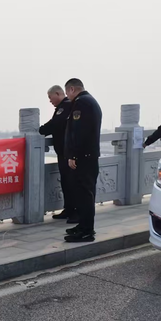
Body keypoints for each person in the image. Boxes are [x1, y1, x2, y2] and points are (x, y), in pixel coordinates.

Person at [63, 78, 102, 243]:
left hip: (83, 157)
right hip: (88, 156)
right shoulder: (90, 101)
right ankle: (83, 226)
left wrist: (73, 155)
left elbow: (79, 132)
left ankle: (86, 231)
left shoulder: (82, 103)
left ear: (72, 89)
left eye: (67, 93)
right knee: (84, 194)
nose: (67, 96)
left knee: (84, 194)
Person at [38, 85, 76, 222]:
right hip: (63, 152)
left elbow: (55, 124)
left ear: (57, 93)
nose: (50, 100)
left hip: (68, 153)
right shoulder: (63, 107)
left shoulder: (65, 106)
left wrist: (39, 131)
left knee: (71, 182)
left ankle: (74, 211)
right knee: (66, 182)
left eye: (50, 97)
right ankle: (68, 209)